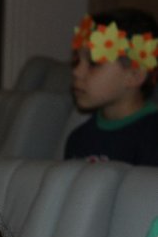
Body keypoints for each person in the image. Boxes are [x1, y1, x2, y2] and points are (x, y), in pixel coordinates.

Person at [66, 8, 158, 165]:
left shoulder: (152, 137)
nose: (76, 72)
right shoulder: (79, 139)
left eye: (93, 63)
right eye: (77, 60)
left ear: (135, 75)